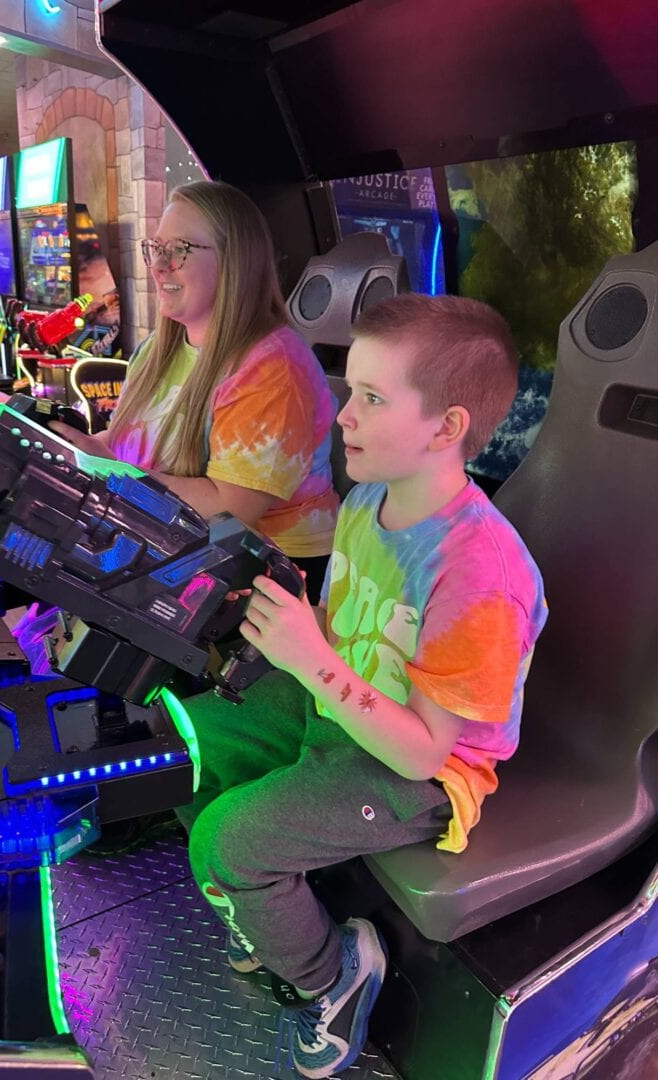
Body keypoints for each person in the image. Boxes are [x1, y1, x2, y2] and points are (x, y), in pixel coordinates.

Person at [175, 292, 548, 1078]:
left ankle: (333, 973)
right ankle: (261, 903)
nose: (343, 415)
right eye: (351, 390)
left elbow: (420, 754)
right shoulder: (367, 502)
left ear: (446, 429)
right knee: (182, 741)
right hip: (343, 711)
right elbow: (344, 637)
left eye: (372, 399)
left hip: (424, 772)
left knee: (226, 841)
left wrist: (309, 659)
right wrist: (284, 632)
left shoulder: (479, 572)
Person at [47, 179, 338, 591]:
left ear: (235, 262)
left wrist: (108, 473)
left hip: (267, 574)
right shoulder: (159, 348)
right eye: (156, 248)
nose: (159, 265)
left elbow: (230, 509)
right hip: (174, 548)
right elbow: (132, 441)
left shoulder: (273, 367)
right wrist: (78, 448)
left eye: (180, 249)